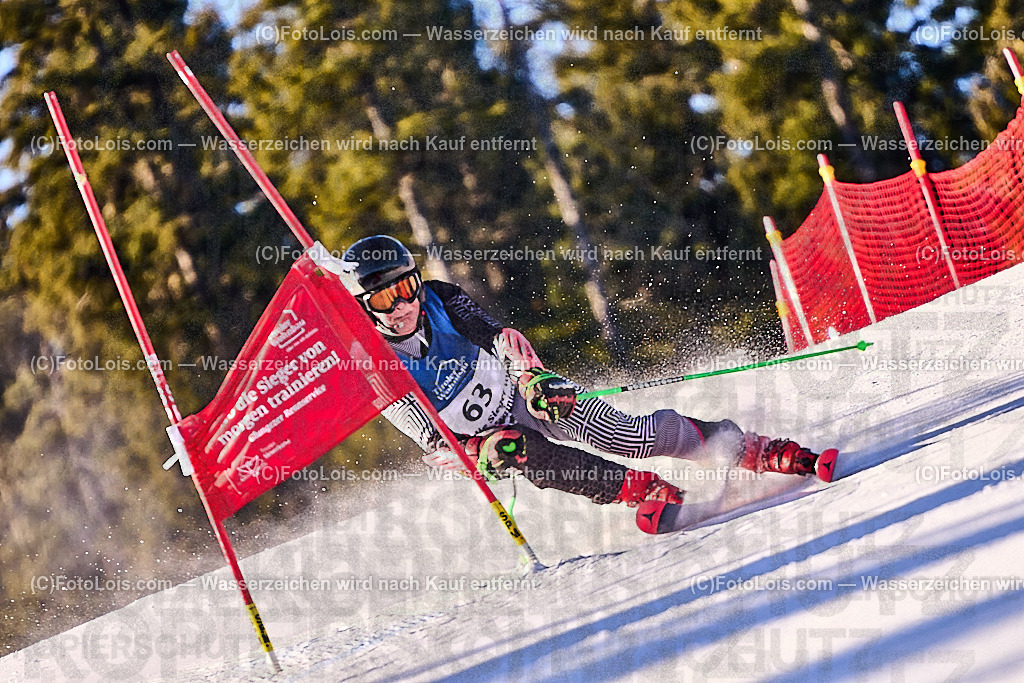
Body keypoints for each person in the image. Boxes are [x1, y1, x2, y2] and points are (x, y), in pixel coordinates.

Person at [337, 235, 835, 533]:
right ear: (363, 308)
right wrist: (476, 451)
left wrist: (531, 376)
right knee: (514, 448)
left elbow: (497, 337)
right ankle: (638, 492)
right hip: (473, 443)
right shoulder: (374, 366)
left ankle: (748, 448)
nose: (402, 306)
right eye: (384, 300)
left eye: (406, 289)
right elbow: (430, 437)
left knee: (621, 433)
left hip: (516, 393)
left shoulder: (440, 299)